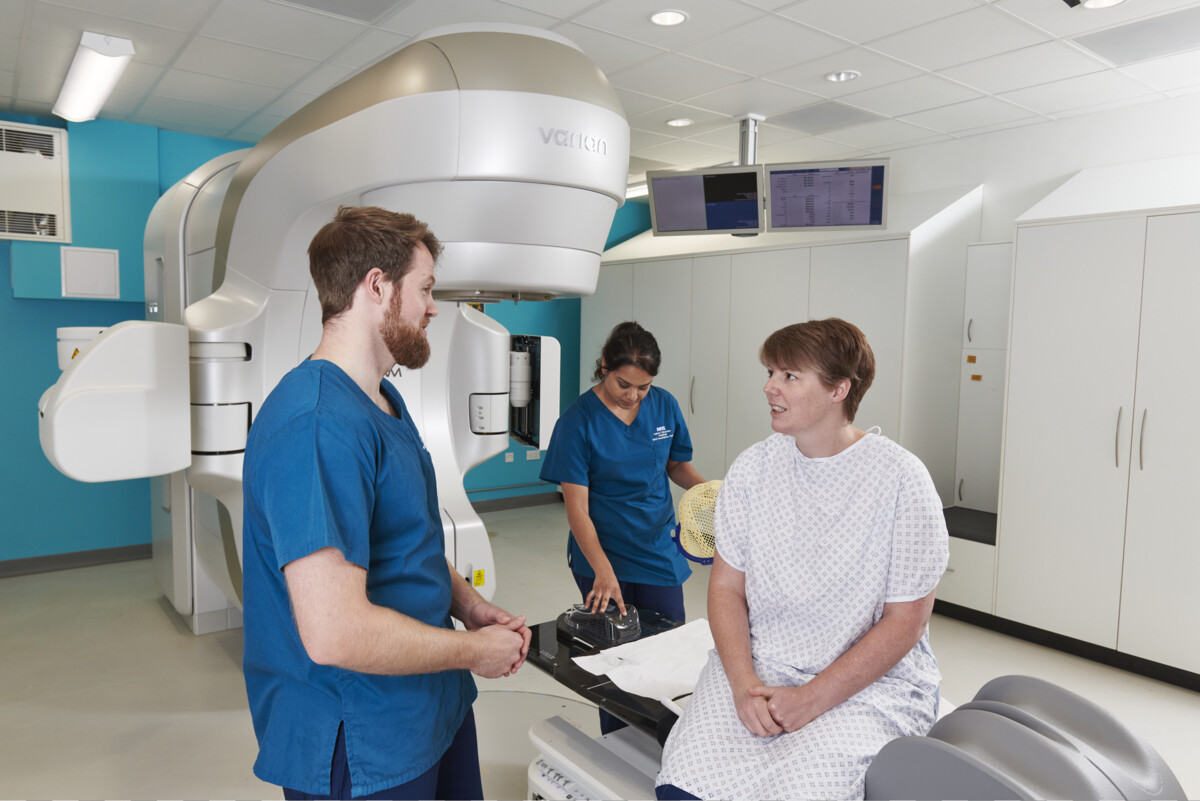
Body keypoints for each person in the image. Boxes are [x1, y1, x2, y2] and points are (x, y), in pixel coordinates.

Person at [241, 205, 531, 801]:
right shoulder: (317, 426)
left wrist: (469, 603)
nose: (433, 307)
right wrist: (475, 651)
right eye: (425, 290)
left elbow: (406, 537)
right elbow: (334, 633)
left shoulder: (383, 400)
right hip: (364, 738)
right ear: (377, 285)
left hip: (431, 706)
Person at [655, 318, 949, 801]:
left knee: (801, 789)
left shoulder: (901, 480)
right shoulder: (753, 469)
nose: (770, 387)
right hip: (762, 667)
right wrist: (744, 684)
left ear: (839, 389)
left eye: (789, 376)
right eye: (771, 372)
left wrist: (810, 700)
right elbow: (727, 589)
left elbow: (906, 623)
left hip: (868, 687)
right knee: (684, 787)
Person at [540, 321, 706, 627]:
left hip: (657, 546)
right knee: (613, 649)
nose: (633, 395)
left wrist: (710, 494)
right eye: (623, 384)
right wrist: (603, 570)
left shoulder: (664, 404)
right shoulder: (577, 422)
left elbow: (677, 466)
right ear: (605, 367)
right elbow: (577, 507)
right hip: (603, 551)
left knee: (668, 638)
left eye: (644, 387)